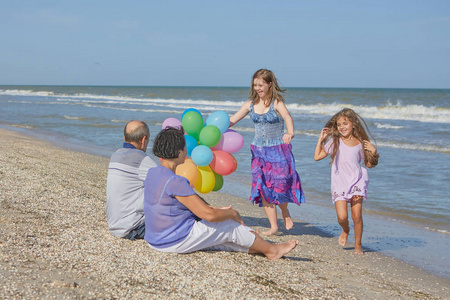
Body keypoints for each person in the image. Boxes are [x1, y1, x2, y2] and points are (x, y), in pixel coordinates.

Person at [143, 127, 298, 259]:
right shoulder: (175, 181)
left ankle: (258, 244)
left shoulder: (153, 173)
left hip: (155, 239)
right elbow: (208, 215)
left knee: (224, 239)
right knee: (229, 225)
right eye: (185, 148)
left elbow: (187, 205)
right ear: (178, 152)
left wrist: (216, 210)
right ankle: (272, 251)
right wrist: (232, 213)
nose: (186, 151)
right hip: (173, 240)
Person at [229, 69, 305, 236]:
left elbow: (288, 117)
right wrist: (216, 127)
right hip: (259, 152)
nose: (257, 88)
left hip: (278, 150)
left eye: (260, 84)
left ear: (270, 84)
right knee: (263, 188)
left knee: (280, 185)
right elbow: (232, 120)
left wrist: (290, 132)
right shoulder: (250, 105)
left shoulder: (277, 103)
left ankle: (285, 213)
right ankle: (273, 227)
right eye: (255, 85)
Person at [314, 108, 379, 254]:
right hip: (339, 182)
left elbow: (369, 164)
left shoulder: (361, 143)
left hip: (357, 181)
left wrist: (374, 153)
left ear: (353, 124)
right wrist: (321, 139)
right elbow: (317, 157)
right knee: (342, 217)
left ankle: (358, 245)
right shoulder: (334, 142)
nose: (342, 127)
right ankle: (345, 229)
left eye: (345, 123)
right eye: (339, 125)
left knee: (357, 216)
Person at [106, 120, 157, 240]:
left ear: (125, 138)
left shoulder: (115, 156)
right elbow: (166, 181)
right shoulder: (142, 160)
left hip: (114, 224)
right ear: (144, 140)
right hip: (133, 227)